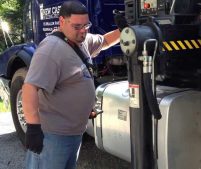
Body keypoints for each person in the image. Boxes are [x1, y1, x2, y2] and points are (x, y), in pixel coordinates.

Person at [22, 0, 128, 168]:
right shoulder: (50, 50)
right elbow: (29, 88)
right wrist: (33, 127)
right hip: (54, 136)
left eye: (86, 26)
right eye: (77, 26)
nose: (83, 31)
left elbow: (105, 41)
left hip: (74, 133)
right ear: (62, 22)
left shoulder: (81, 41)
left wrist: (124, 31)